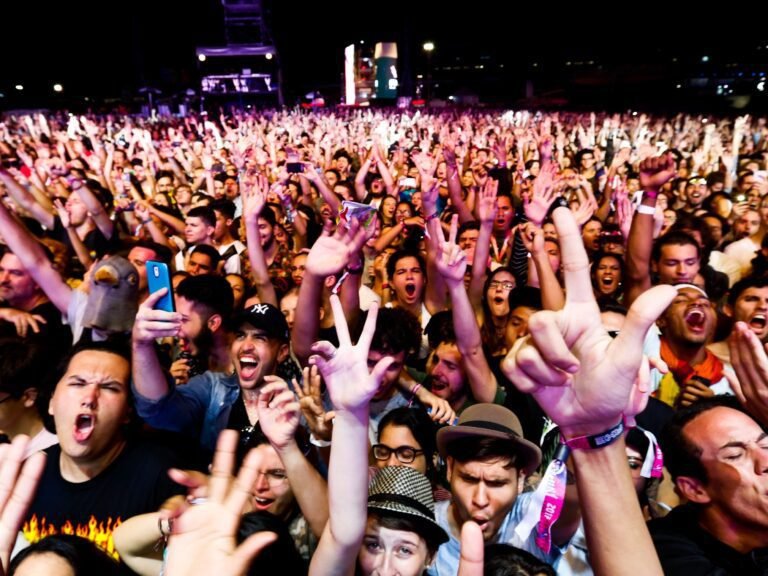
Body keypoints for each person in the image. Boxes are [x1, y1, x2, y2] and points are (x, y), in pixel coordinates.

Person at [305, 295, 449, 576]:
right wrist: (347, 416)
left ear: (430, 556)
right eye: (372, 545)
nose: (383, 569)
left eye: (405, 550)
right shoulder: (329, 393)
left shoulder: (417, 407)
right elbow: (343, 530)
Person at [21, 341, 183, 561]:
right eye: (78, 383)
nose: (89, 398)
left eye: (110, 388)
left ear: (128, 412)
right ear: (51, 402)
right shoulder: (27, 476)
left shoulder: (161, 475)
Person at [132, 297, 289, 452]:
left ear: (282, 352)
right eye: (240, 335)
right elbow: (160, 411)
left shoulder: (297, 402)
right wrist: (142, 346)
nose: (246, 346)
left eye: (260, 338)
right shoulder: (212, 387)